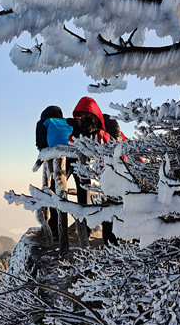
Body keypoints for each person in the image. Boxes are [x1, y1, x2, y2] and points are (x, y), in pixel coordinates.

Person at [67, 96, 123, 244]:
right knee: (107, 206)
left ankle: (121, 243)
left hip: (127, 171)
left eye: (86, 117)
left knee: (117, 206)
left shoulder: (109, 121)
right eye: (80, 117)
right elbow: (72, 142)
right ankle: (110, 244)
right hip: (105, 174)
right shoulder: (82, 128)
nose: (82, 120)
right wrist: (79, 130)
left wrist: (99, 135)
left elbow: (116, 144)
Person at [35, 105, 73, 242]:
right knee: (83, 192)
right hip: (78, 155)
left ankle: (56, 231)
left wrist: (43, 151)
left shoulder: (45, 122)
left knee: (55, 191)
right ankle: (85, 228)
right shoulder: (68, 121)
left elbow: (40, 144)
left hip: (60, 158)